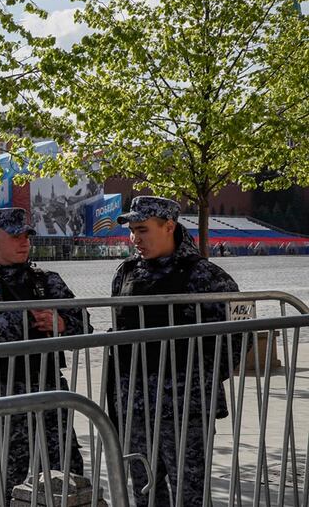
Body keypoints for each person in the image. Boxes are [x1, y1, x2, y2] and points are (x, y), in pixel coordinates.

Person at [110, 196, 240, 507]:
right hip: (135, 408)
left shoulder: (208, 277)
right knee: (144, 492)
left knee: (190, 493)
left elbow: (237, 338)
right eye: (132, 231)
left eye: (142, 230)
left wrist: (196, 379)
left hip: (184, 409)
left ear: (169, 226)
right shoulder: (126, 273)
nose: (135, 239)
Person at [0, 207, 87, 498]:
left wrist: (62, 324)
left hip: (50, 392)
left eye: (26, 235)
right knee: (9, 485)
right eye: (15, 236)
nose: (24, 242)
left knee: (68, 476)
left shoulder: (47, 281)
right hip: (2, 398)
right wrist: (23, 318)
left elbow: (84, 325)